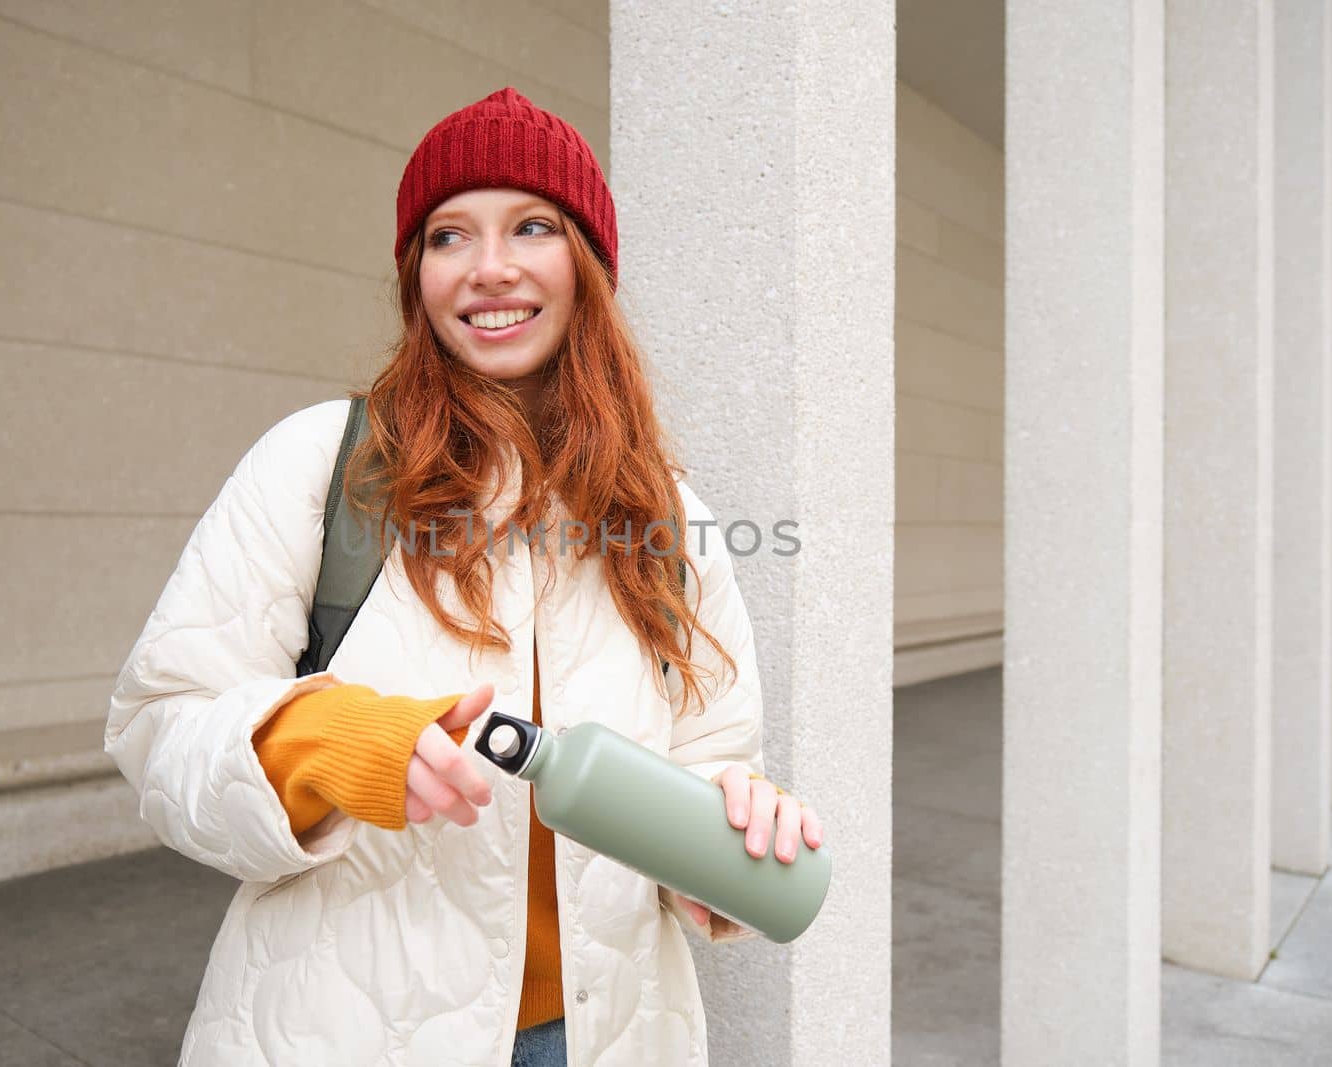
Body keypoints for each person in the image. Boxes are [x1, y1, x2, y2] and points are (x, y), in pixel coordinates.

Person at [103, 86, 822, 1067]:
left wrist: (721, 845)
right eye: (450, 235)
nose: (490, 269)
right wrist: (324, 739)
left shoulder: (667, 514)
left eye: (531, 226)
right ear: (416, 275)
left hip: (610, 1036)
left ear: (588, 266)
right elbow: (161, 726)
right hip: (343, 1030)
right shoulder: (323, 463)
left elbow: (713, 750)